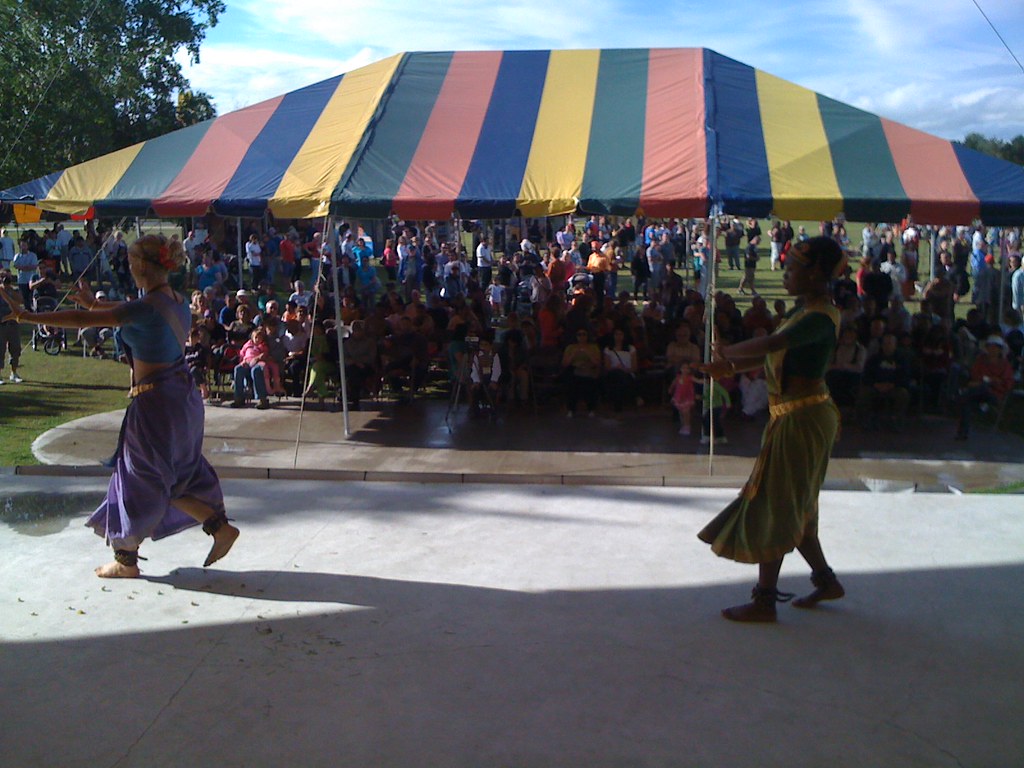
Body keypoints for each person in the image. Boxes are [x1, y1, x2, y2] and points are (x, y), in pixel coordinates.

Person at [0, 235, 238, 577]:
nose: (128, 267)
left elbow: (86, 322)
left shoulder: (144, 307)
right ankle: (217, 528)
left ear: (141, 265)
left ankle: (126, 562)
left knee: (134, 477)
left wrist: (26, 315)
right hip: (181, 398)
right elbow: (124, 316)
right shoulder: (176, 300)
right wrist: (94, 305)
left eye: (130, 262)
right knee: (170, 475)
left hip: (156, 402)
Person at [696, 236, 847, 623]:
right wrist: (729, 369)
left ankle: (764, 600)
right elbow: (774, 355)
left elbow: (775, 342)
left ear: (814, 274)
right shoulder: (804, 312)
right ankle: (825, 581)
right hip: (795, 415)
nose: (785, 273)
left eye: (792, 268)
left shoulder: (819, 316)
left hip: (803, 418)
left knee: (777, 503)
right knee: (796, 504)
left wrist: (729, 351)